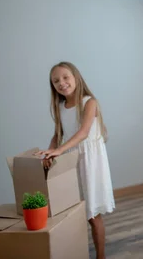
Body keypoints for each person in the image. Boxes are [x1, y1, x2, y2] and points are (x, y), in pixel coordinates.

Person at [38, 62, 116, 259]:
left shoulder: (90, 102)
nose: (61, 83)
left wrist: (59, 150)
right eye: (56, 81)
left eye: (65, 77)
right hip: (71, 162)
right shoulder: (60, 107)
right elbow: (58, 133)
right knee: (74, 213)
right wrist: (50, 151)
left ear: (76, 77)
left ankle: (101, 256)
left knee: (92, 214)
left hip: (90, 162)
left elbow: (83, 133)